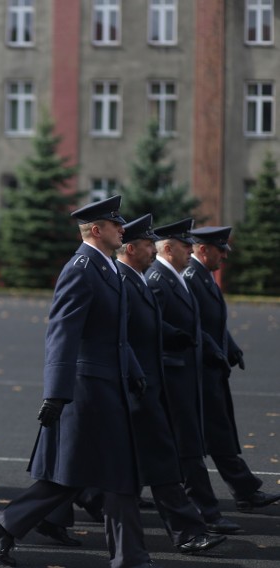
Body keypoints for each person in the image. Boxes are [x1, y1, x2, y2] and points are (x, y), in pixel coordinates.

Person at [0, 195, 155, 568]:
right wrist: (56, 394)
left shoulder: (108, 268)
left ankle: (129, 557)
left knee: (107, 475)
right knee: (81, 475)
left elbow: (115, 333)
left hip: (112, 386)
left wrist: (134, 371)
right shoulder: (80, 268)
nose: (122, 229)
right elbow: (63, 334)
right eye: (116, 225)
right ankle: (8, 523)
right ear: (97, 230)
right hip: (86, 390)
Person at [116, 214, 226, 554]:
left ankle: (22, 519)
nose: (154, 250)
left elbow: (149, 325)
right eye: (149, 244)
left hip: (147, 383)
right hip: (138, 384)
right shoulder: (127, 279)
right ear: (133, 248)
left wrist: (177, 337)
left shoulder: (135, 279)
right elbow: (118, 335)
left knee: (117, 466)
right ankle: (188, 530)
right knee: (156, 459)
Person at [146, 219, 240, 535]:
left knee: (181, 444)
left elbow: (194, 320)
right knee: (185, 445)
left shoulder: (174, 276)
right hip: (172, 375)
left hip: (185, 373)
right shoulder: (158, 279)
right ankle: (205, 512)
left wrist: (215, 345)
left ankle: (93, 495)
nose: (191, 251)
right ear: (169, 248)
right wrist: (177, 337)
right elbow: (149, 326)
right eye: (186, 246)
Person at [184, 226, 280, 512]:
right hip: (198, 370)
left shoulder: (204, 276)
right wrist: (212, 347)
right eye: (220, 249)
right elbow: (192, 324)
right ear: (203, 249)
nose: (225, 255)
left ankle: (244, 489)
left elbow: (215, 321)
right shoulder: (191, 277)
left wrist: (231, 345)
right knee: (206, 433)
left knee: (219, 429)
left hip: (213, 368)